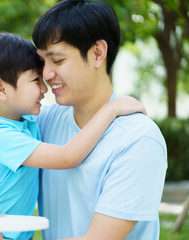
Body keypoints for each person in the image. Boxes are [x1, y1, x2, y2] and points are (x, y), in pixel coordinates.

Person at [0, 32, 146, 240]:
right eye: (35, 80)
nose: (44, 88)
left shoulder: (26, 122)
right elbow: (67, 157)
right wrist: (110, 110)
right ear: (1, 88)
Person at [31, 0, 167, 239]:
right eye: (42, 62)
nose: (46, 74)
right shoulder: (44, 122)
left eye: (58, 60)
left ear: (97, 53)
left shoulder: (139, 139)